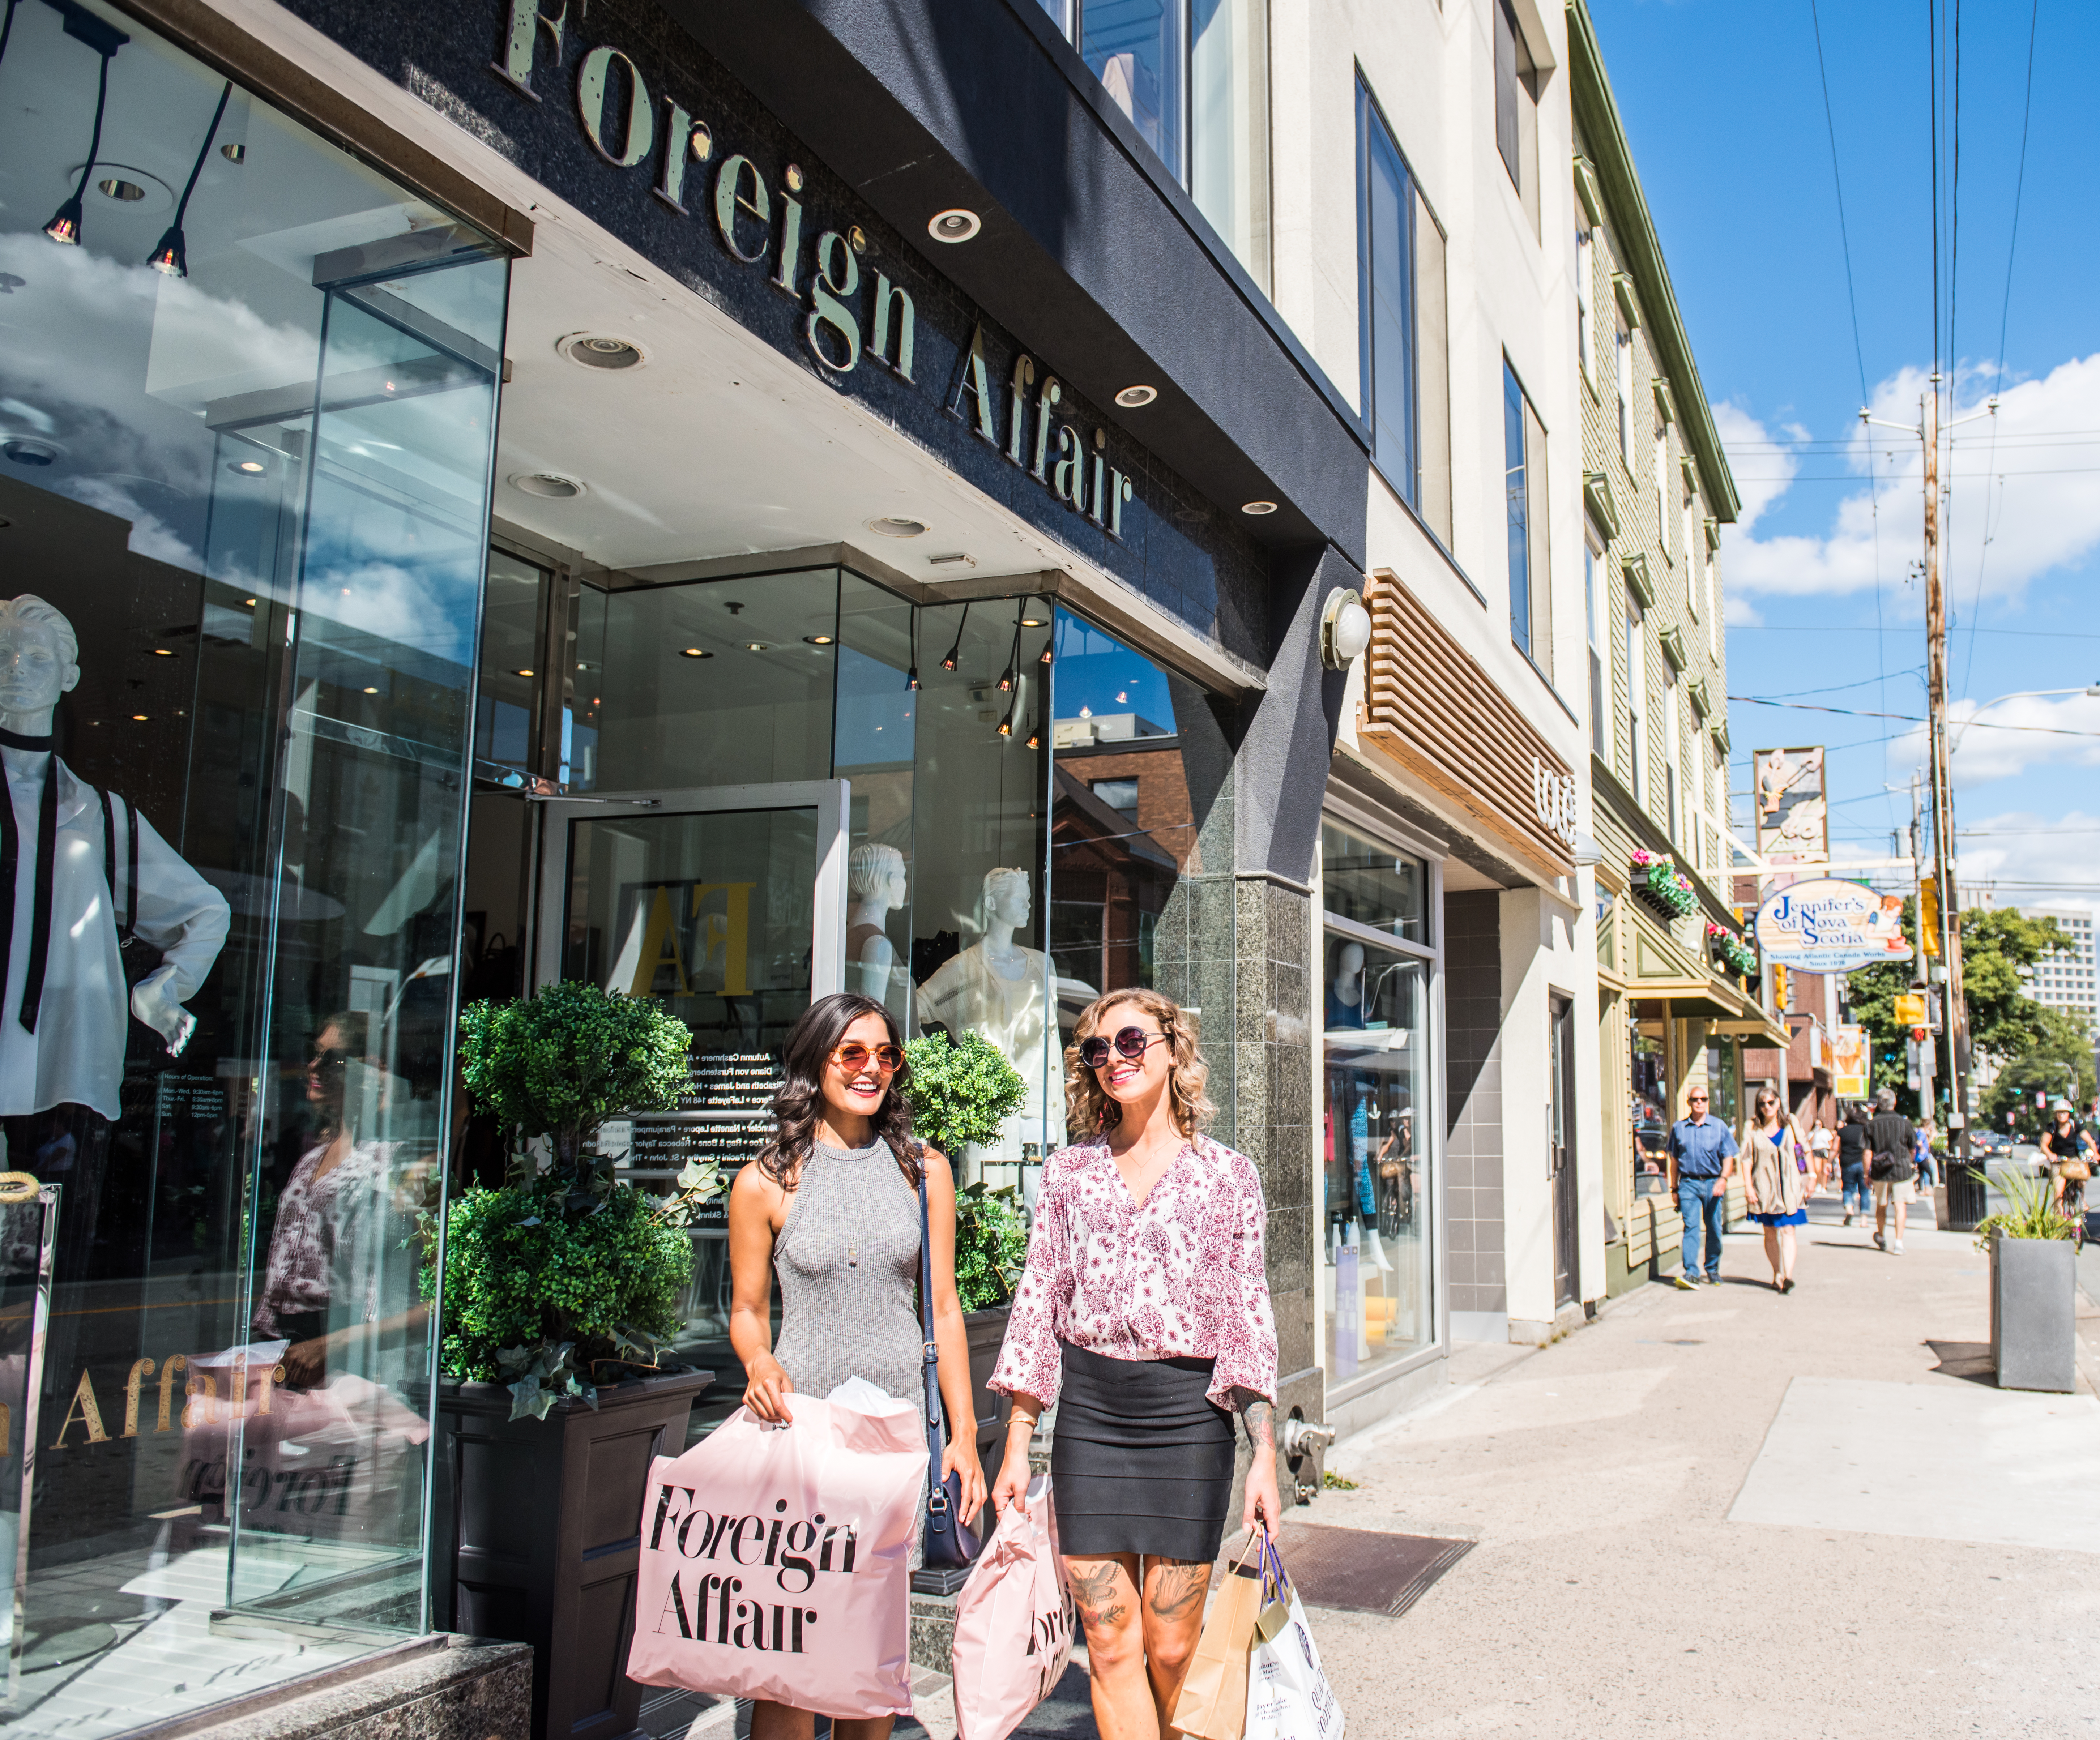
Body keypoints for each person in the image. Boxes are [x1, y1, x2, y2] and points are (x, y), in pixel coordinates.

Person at [988, 989, 1280, 1740]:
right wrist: (1018, 1442)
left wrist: (1264, 1453)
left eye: (1129, 1041)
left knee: (1174, 1644)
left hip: (1190, 1417)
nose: (1113, 1058)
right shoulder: (1068, 1175)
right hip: (1092, 1415)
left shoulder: (1227, 1176)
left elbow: (1247, 1317)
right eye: (1096, 1049)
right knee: (1112, 1644)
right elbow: (1037, 1303)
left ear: (1173, 1047)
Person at [727, 992, 985, 1740]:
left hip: (893, 1438)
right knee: (791, 1656)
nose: (871, 1069)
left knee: (870, 1666)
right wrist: (757, 1360)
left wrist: (963, 1438)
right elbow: (747, 1310)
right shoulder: (765, 1181)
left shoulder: (923, 1169)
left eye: (885, 1055)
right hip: (800, 1434)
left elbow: (944, 1310)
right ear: (816, 1062)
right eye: (853, 1054)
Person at [1668, 1085, 1739, 1287]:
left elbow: (1728, 1157)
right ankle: (1691, 1272)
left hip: (1712, 1183)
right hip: (1689, 1183)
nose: (1699, 1102)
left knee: (1714, 1227)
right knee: (1691, 1227)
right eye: (1695, 1099)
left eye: (1703, 1099)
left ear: (1708, 1102)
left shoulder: (1719, 1127)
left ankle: (1713, 1269)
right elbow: (1674, 1161)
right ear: (1689, 1102)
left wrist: (1723, 1179)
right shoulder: (1679, 1129)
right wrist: (1674, 1188)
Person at [1743, 1087, 1812, 1292]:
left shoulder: (1790, 1123)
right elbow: (1747, 1159)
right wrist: (1748, 1187)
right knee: (1771, 1232)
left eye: (1771, 1102)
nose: (1767, 1107)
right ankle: (1777, 1273)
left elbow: (1803, 1150)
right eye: (1763, 1104)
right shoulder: (1752, 1127)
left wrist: (1811, 1177)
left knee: (1789, 1230)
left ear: (1779, 1103)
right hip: (1764, 1188)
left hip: (1790, 1188)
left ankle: (1788, 1275)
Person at [1866, 1086, 1918, 1256]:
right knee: (1900, 1205)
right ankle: (1899, 1243)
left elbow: (1867, 1151)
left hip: (1880, 1170)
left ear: (1879, 1105)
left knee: (1882, 1205)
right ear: (1895, 1102)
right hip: (1902, 1170)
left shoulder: (1872, 1125)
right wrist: (1910, 1162)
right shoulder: (1905, 1123)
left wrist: (1868, 1172)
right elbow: (1913, 1149)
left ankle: (1881, 1236)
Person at [2041, 1098, 2097, 1220]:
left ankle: (2082, 1199)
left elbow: (2090, 1141)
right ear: (2055, 1114)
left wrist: (2096, 1154)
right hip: (2059, 1163)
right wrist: (2050, 1154)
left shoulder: (2075, 1125)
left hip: (2074, 1161)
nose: (2062, 1115)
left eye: (2065, 1112)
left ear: (2069, 1113)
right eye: (2059, 1112)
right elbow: (2044, 1145)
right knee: (2058, 1194)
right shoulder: (2052, 1127)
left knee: (2083, 1177)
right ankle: (2059, 1219)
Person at [1835, 1104, 1871, 1226]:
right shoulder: (1867, 1130)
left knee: (1848, 1189)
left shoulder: (1842, 1132)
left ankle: (1850, 1210)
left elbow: (1835, 1149)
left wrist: (1829, 1162)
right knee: (1865, 1191)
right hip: (1863, 1163)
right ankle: (1864, 1220)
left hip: (1847, 1164)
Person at [1913, 1120, 1938, 1192]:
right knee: (1930, 1172)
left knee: (1921, 1174)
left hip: (1921, 1156)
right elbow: (1919, 1142)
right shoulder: (1922, 1133)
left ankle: (1922, 1189)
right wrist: (1922, 1148)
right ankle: (1930, 1188)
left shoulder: (1921, 1132)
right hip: (1922, 1157)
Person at [1808, 1119, 1834, 1183]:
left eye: (1820, 1125)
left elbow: (1831, 1143)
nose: (1818, 1126)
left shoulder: (1826, 1132)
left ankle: (1824, 1186)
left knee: (1824, 1169)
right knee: (1818, 1169)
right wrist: (1814, 1133)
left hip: (1825, 1150)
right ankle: (1819, 1183)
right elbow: (1810, 1143)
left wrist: (1830, 1151)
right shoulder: (1812, 1133)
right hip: (1816, 1150)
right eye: (1817, 1125)